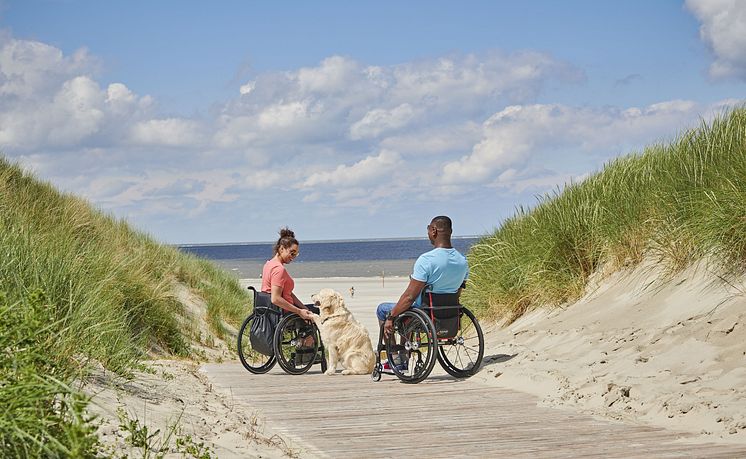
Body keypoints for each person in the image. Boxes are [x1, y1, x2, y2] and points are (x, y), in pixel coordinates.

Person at [375, 216, 468, 370]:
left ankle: (398, 359)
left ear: (433, 230)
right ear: (450, 232)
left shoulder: (427, 260)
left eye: (428, 230)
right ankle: (403, 357)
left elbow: (409, 297)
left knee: (383, 309)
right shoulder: (462, 260)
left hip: (423, 312)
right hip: (449, 311)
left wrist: (391, 316)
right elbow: (458, 291)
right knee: (409, 310)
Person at [261, 227, 317, 320]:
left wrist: (303, 308)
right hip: (284, 313)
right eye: (292, 253)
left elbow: (288, 293)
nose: (293, 257)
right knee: (319, 311)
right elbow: (275, 298)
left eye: (296, 254)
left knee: (310, 310)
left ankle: (308, 334)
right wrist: (299, 311)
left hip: (274, 310)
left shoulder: (268, 264)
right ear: (282, 249)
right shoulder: (279, 269)